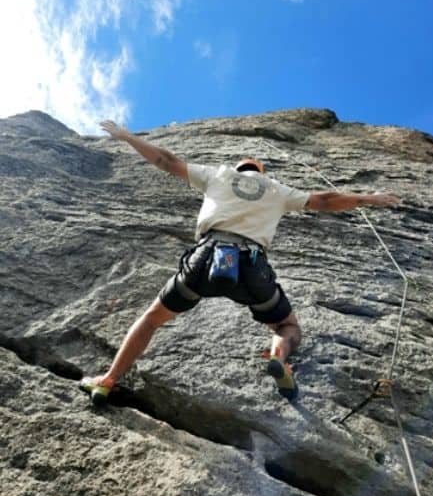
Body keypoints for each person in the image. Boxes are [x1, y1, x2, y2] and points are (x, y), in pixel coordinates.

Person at [80, 120, 400, 404]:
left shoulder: (218, 174)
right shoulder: (276, 189)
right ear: (261, 170)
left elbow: (167, 161)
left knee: (152, 320)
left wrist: (127, 137)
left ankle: (108, 380)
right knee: (287, 325)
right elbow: (325, 201)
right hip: (253, 267)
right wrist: (367, 198)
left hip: (205, 259)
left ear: (238, 167)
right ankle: (279, 355)